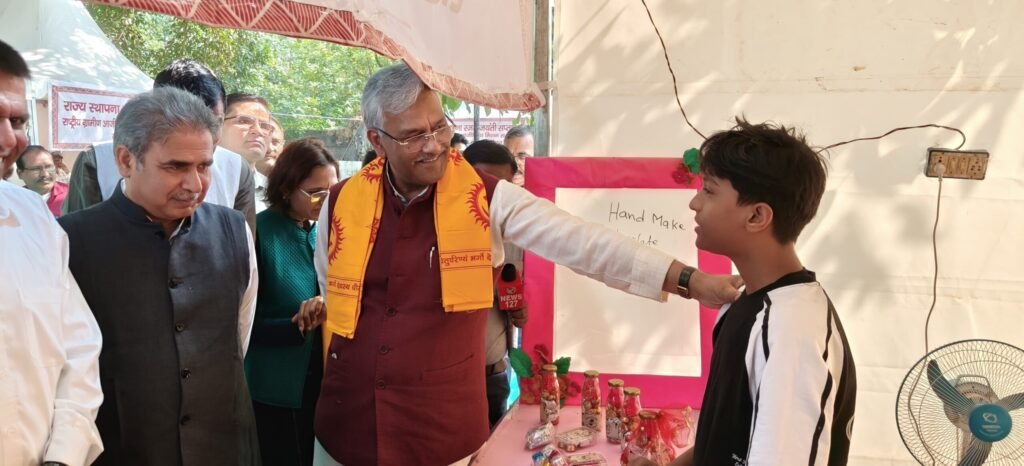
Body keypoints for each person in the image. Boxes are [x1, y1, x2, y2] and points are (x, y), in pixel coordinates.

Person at [312, 63, 742, 466]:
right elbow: (334, 297)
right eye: (413, 136)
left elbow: (582, 242)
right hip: (347, 425)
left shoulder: (487, 197)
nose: (434, 145)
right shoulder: (341, 203)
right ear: (377, 141)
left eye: (439, 126)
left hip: (441, 433)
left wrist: (688, 279)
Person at [635, 119, 857, 466]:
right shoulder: (742, 303)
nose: (694, 203)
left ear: (756, 216)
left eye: (709, 191)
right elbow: (724, 438)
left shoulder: (791, 332)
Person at [58, 87, 260, 466]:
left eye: (204, 166)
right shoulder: (69, 241)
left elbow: (239, 333)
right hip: (120, 447)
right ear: (125, 160)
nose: (195, 184)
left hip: (223, 446)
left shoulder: (234, 231)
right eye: (175, 167)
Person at [0, 38, 104, 466]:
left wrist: (64, 454)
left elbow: (79, 347)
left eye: (17, 120)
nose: (8, 139)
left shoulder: (33, 218)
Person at [63, 59, 256, 232]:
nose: (205, 138)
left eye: (215, 123)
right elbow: (76, 242)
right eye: (175, 166)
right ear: (125, 161)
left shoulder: (237, 170)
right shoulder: (96, 161)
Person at [246, 138, 338, 466]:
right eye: (315, 192)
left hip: (327, 378)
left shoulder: (326, 232)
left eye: (332, 191)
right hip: (277, 384)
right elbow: (240, 323)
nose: (325, 201)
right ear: (286, 189)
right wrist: (294, 325)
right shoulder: (259, 233)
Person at [464, 140, 524, 427]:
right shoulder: (434, 234)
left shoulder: (517, 239)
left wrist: (520, 307)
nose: (492, 196)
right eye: (484, 184)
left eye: (503, 188)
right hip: (447, 382)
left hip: (494, 375)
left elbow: (524, 299)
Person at [223, 92, 274, 213]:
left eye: (265, 126)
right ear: (217, 124)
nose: (258, 131)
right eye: (244, 121)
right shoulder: (197, 184)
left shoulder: (277, 193)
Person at [15, 145, 69, 216]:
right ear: (20, 173)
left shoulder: (71, 195)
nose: (45, 174)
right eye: (36, 169)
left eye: (49, 167)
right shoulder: (11, 200)